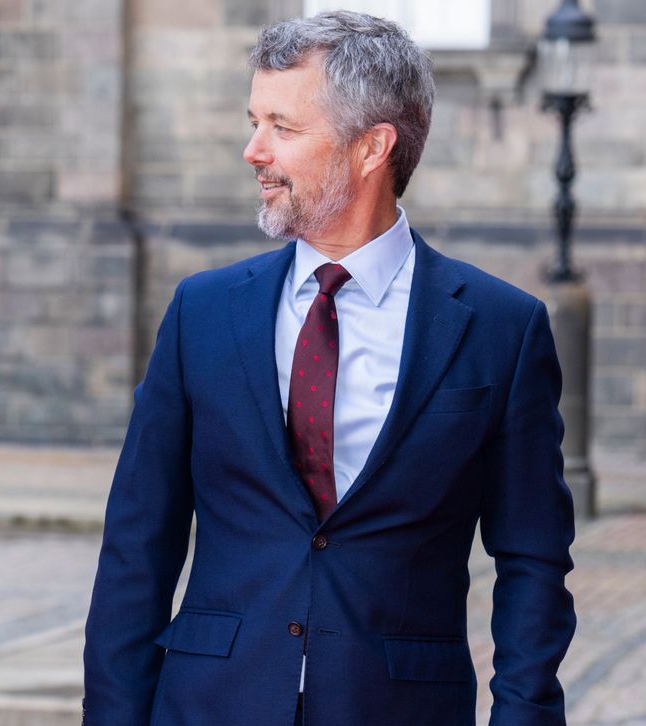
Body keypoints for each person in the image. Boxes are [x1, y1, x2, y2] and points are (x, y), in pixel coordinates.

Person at [83, 11, 576, 726]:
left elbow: (533, 560)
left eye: (282, 127)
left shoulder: (501, 327)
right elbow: (138, 544)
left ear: (372, 147)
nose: (253, 150)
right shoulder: (203, 311)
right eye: (254, 120)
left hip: (401, 706)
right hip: (209, 703)